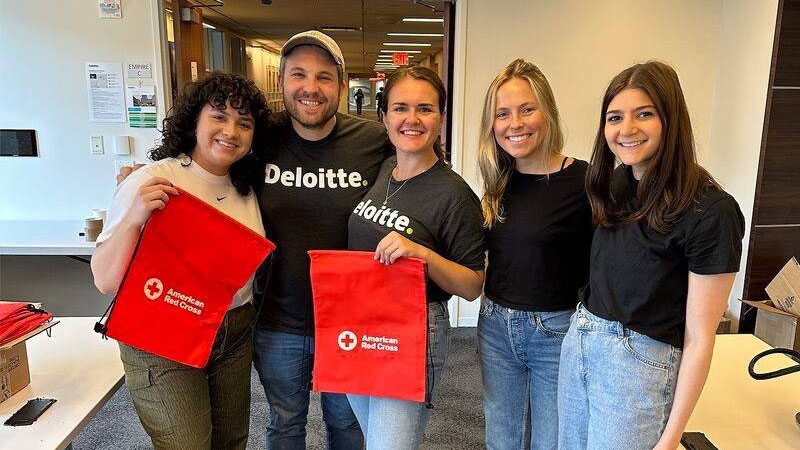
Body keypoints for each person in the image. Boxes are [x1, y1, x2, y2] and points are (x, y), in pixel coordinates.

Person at [557, 61, 745, 450]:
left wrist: (672, 436)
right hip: (581, 342)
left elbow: (699, 338)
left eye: (644, 114)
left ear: (670, 119)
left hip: (638, 364)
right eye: (615, 117)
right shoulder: (613, 184)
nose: (626, 130)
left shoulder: (711, 210)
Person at [91, 72, 270, 450]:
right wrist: (136, 214)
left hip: (232, 332)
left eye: (244, 123)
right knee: (185, 444)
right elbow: (105, 279)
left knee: (231, 441)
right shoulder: (154, 180)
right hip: (163, 330)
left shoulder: (249, 187)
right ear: (194, 121)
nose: (231, 131)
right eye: (218, 116)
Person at [253, 30, 393, 450]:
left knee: (348, 427)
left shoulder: (373, 141)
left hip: (349, 321)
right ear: (281, 83)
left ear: (343, 87)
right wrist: (148, 175)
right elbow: (204, 158)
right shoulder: (259, 139)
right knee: (284, 424)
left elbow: (421, 176)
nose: (310, 88)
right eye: (299, 74)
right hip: (278, 320)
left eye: (324, 77)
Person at [346, 66, 486, 450]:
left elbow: (473, 285)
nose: (411, 119)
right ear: (384, 116)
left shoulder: (454, 194)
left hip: (413, 329)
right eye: (400, 108)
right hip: (361, 324)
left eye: (424, 108)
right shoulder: (383, 170)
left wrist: (421, 253)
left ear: (441, 117)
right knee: (372, 438)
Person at [476, 59, 593, 450]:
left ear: (548, 111)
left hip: (556, 331)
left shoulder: (586, 181)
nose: (516, 123)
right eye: (503, 114)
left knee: (553, 442)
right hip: (495, 325)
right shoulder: (498, 179)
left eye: (527, 109)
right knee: (502, 441)